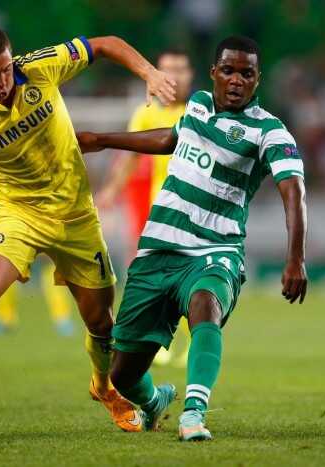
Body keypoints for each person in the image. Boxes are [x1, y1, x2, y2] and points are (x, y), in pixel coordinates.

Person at [0, 24, 176, 433]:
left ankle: (104, 388)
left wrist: (149, 73)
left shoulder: (40, 67)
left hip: (76, 215)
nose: (3, 80)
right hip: (20, 214)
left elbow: (105, 44)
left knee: (102, 323)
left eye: (6, 69)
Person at [77, 35, 308, 441]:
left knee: (206, 304)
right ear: (214, 72)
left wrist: (295, 258)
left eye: (247, 74)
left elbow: (293, 191)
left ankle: (194, 414)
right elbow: (171, 138)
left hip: (214, 249)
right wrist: (103, 140)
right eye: (229, 71)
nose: (236, 80)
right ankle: (154, 402)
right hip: (158, 248)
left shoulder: (269, 131)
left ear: (257, 80)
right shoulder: (198, 104)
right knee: (122, 374)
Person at [96, 49, 194, 367]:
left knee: (191, 278)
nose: (174, 76)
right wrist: (111, 190)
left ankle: (194, 342)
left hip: (196, 210)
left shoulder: (201, 111)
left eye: (180, 69)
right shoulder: (146, 113)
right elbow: (131, 157)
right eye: (167, 69)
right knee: (158, 279)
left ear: (190, 74)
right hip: (160, 208)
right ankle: (159, 341)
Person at [0, 156, 75, 336]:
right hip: (9, 207)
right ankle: (6, 318)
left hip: (44, 202)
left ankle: (62, 317)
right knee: (5, 259)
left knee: (49, 258)